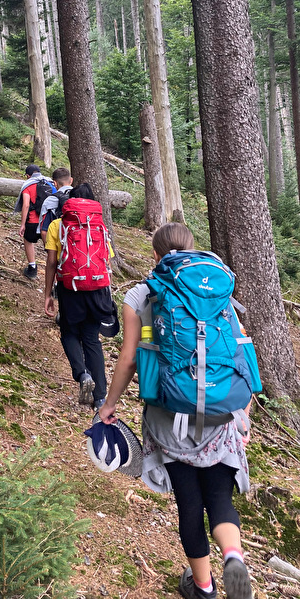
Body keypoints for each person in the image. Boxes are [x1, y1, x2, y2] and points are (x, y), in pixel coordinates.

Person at [99, 222, 253, 599]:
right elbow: (238, 353)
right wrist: (243, 411)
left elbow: (129, 358)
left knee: (189, 504)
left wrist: (109, 404)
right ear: (191, 250)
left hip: (168, 414)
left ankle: (203, 588)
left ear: (155, 255)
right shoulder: (216, 289)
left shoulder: (140, 295)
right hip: (220, 414)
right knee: (219, 498)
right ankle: (233, 556)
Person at [44, 183, 114, 413]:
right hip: (97, 289)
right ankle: (100, 398)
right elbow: (107, 261)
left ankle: (82, 373)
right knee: (92, 339)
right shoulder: (99, 225)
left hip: (70, 288)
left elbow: (53, 262)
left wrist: (48, 294)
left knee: (69, 332)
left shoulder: (58, 224)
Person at [15, 164, 55, 279]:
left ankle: (32, 268)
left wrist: (22, 224)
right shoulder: (49, 183)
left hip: (33, 220)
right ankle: (56, 279)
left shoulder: (28, 185)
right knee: (50, 249)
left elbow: (26, 205)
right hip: (48, 222)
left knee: (28, 240)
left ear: (28, 175)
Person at [37, 166, 73, 243]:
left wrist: (48, 250)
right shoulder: (81, 197)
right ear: (71, 180)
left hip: (59, 244)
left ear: (55, 183)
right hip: (81, 246)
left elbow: (44, 231)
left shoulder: (50, 201)